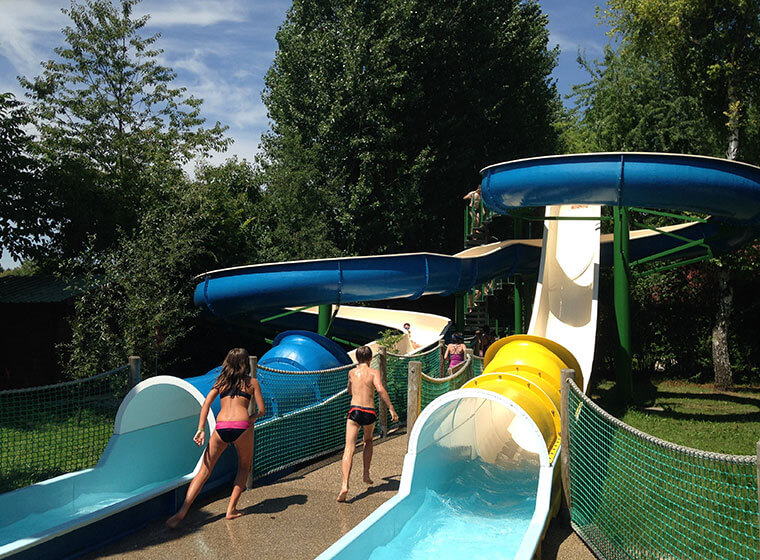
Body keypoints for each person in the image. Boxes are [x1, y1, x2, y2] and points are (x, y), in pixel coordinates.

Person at [166, 348, 265, 528]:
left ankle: (182, 511)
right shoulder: (252, 382)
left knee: (204, 470)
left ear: (227, 363)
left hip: (221, 428)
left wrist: (201, 429)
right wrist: (251, 418)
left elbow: (206, 403)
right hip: (242, 427)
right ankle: (231, 510)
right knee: (244, 467)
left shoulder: (221, 382)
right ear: (245, 364)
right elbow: (262, 410)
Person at [338, 346, 399, 502]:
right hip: (369, 412)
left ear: (357, 359)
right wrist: (391, 408)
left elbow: (350, 391)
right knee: (368, 440)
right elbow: (380, 389)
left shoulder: (352, 372)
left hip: (355, 411)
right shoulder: (374, 373)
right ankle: (365, 473)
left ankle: (345, 485)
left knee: (349, 448)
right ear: (371, 358)